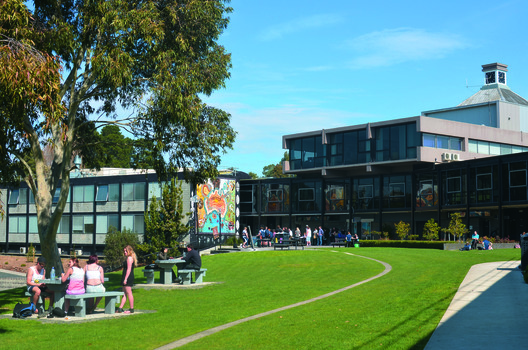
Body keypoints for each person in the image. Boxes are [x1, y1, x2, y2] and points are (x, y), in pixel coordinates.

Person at [117, 245, 137, 314]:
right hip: (125, 276)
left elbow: (129, 269)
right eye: (124, 251)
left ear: (130, 251)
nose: (125, 252)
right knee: (124, 293)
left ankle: (131, 309)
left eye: (126, 251)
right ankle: (120, 308)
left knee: (129, 293)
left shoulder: (130, 258)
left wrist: (125, 279)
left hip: (128, 277)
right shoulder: (128, 258)